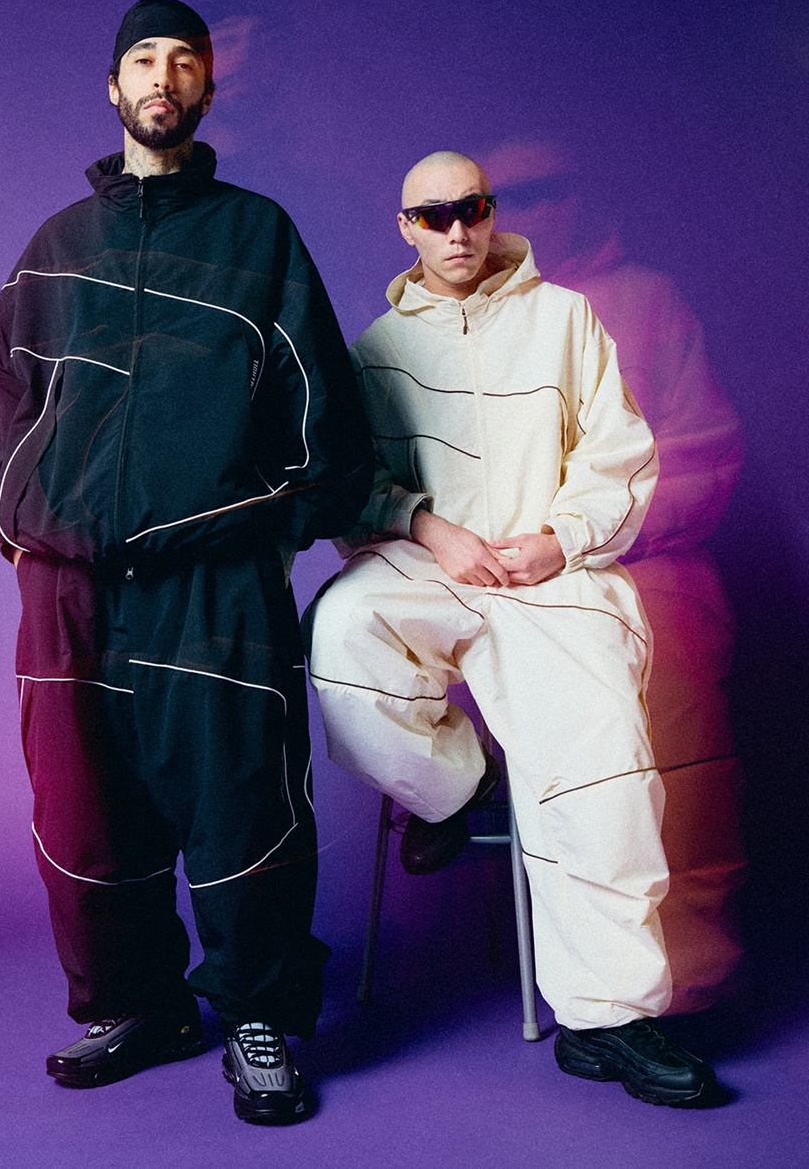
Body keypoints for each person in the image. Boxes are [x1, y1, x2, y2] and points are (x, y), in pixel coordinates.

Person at [0, 0, 372, 1125]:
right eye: (144, 57)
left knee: (243, 803)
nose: (164, 76)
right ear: (113, 85)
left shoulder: (258, 235)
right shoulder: (56, 247)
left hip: (213, 580)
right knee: (84, 810)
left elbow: (323, 416)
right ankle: (141, 1004)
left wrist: (266, 524)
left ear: (207, 89)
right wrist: (10, 521)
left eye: (186, 60)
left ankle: (257, 1016)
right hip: (69, 587)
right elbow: (8, 399)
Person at [305, 150, 722, 1106]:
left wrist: (558, 540)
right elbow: (353, 483)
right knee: (341, 637)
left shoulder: (566, 318)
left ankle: (608, 1018)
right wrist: (427, 526)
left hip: (548, 573)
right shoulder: (378, 349)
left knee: (601, 761)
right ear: (405, 228)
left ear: (492, 214)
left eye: (473, 209)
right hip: (433, 564)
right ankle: (460, 787)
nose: (457, 231)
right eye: (434, 215)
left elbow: (618, 454)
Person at [483, 140, 745, 1012]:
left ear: (580, 192)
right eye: (505, 196)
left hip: (640, 557)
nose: (529, 211)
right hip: (505, 574)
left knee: (674, 682)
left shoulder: (647, 300)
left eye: (547, 188)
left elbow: (704, 451)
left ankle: (685, 971)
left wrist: (590, 536)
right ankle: (441, 802)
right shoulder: (455, 318)